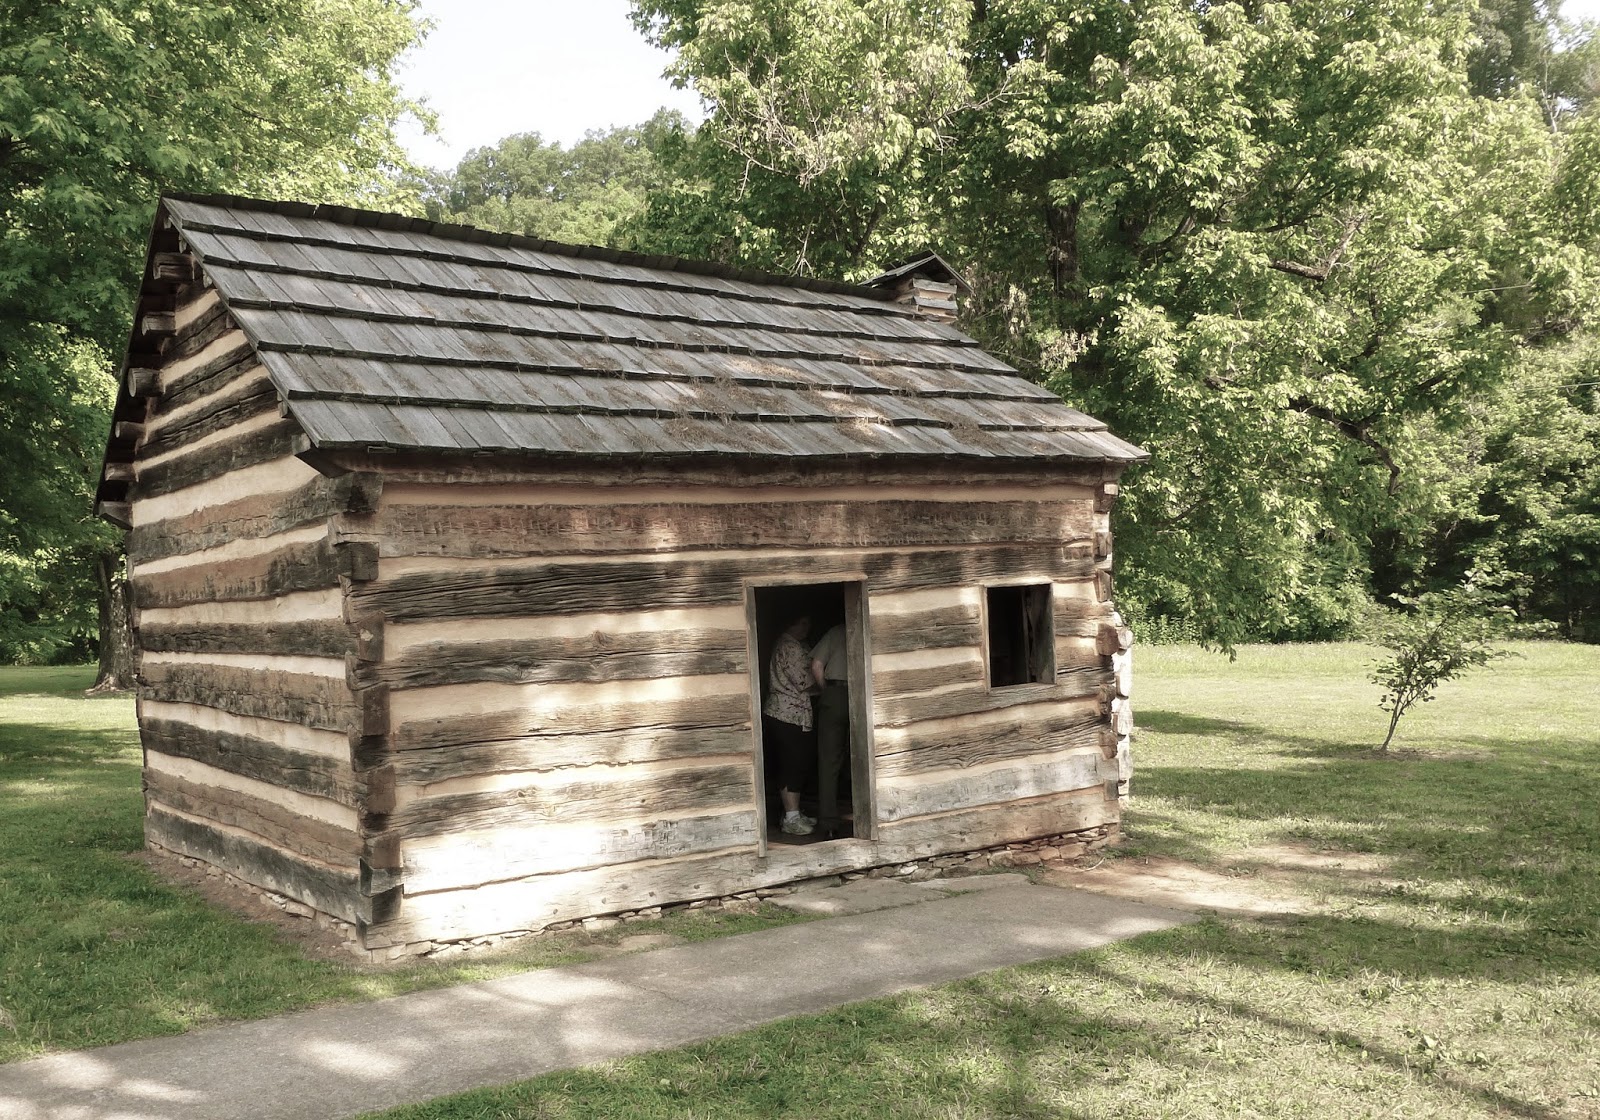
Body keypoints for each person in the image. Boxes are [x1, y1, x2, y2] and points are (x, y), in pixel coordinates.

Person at [762, 614, 817, 836]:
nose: (806, 627)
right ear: (790, 623)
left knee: (792, 764)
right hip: (788, 713)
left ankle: (792, 813)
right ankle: (791, 818)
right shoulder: (791, 647)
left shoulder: (788, 644)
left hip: (785, 713)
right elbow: (805, 681)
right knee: (791, 765)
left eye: (807, 623)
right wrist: (829, 683)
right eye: (802, 622)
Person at [809, 621, 850, 835]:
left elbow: (816, 665)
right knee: (863, 758)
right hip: (862, 692)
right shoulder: (867, 625)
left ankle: (829, 824)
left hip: (835, 694)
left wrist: (827, 691)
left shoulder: (834, 631)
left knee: (829, 761)